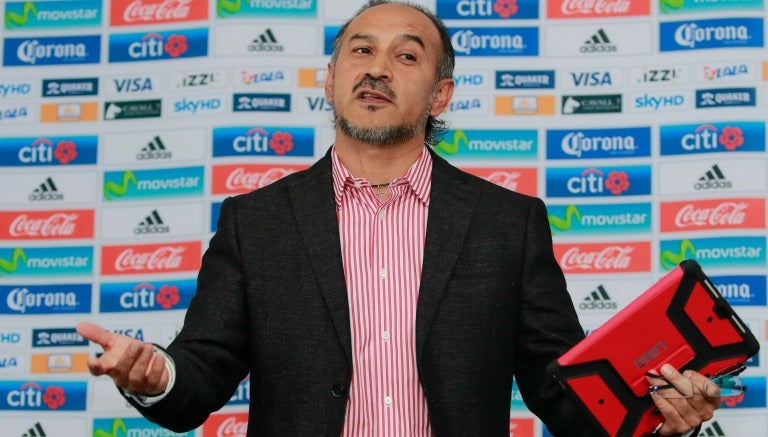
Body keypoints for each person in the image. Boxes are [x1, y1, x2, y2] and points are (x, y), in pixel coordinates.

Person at [77, 1, 722, 435]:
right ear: (330, 79)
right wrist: (156, 374)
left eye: (407, 56)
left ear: (440, 94)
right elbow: (202, 372)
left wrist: (661, 417)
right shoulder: (256, 223)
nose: (378, 69)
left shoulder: (508, 223)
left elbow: (562, 393)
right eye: (361, 51)